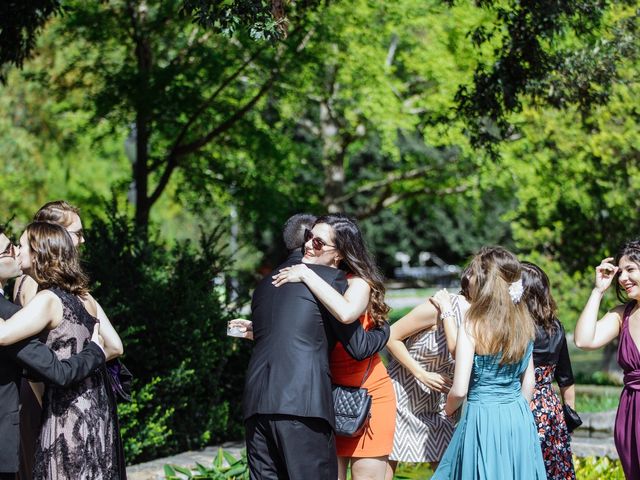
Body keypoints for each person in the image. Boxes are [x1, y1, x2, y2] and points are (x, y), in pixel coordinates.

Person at [243, 213, 391, 480]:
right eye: (309, 237)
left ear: (340, 253)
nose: (309, 245)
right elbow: (355, 343)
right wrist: (385, 330)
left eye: (319, 242)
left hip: (261, 403)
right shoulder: (327, 279)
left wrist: (305, 274)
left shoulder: (268, 284)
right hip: (305, 403)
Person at [0, 222, 123, 479]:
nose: (17, 252)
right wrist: (95, 352)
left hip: (67, 415)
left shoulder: (46, 300)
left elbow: (2, 335)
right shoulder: (84, 297)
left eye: (21, 246)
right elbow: (114, 345)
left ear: (38, 253)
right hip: (96, 407)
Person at [432, 246, 546, 479]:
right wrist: (515, 410)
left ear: (484, 282)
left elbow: (460, 389)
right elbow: (529, 383)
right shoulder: (524, 323)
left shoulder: (473, 324)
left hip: (482, 416)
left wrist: (448, 408)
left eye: (473, 273)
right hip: (517, 415)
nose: (469, 278)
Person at [385, 279, 470, 474]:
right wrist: (420, 373)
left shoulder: (485, 317)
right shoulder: (438, 307)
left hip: (440, 404)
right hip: (401, 396)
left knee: (449, 471)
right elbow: (390, 336)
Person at [574, 240, 640, 479]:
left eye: (631, 269)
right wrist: (598, 291)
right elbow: (583, 340)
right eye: (620, 272)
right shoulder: (622, 315)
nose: (623, 278)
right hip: (632, 414)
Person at [521, 261, 576, 479]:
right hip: (549, 405)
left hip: (521, 401)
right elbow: (566, 379)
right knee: (553, 466)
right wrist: (568, 417)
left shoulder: (518, 331)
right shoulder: (555, 326)